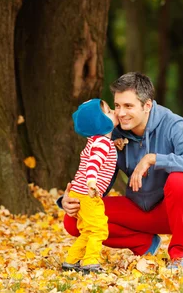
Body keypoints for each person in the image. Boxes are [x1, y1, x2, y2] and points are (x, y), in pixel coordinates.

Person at [59, 72, 183, 270]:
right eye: (118, 106)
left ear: (147, 105)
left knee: (179, 179)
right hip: (139, 207)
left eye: (128, 106)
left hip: (179, 209)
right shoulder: (114, 132)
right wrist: (70, 199)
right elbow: (101, 181)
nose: (121, 113)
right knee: (73, 219)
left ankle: (180, 255)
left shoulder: (173, 124)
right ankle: (144, 243)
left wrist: (153, 159)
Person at [61, 99, 119, 273]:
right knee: (98, 229)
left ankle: (71, 260)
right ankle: (90, 262)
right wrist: (92, 182)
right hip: (88, 193)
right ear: (101, 123)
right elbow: (93, 164)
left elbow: (100, 155)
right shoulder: (102, 143)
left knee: (87, 230)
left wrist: (116, 144)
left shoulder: (99, 142)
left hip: (80, 193)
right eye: (109, 111)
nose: (114, 112)